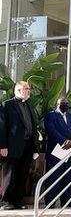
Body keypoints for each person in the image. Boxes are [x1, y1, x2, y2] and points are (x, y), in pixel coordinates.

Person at [0, 81, 40, 210]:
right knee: (9, 175)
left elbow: (33, 126)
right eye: (26, 89)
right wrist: (2, 146)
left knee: (22, 175)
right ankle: (6, 201)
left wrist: (36, 146)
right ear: (18, 90)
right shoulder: (7, 105)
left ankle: (18, 201)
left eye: (28, 88)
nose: (29, 91)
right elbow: (2, 127)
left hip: (27, 145)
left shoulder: (29, 105)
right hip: (11, 147)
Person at [44, 97, 71, 208]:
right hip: (56, 151)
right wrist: (64, 141)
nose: (65, 105)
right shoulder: (51, 115)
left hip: (69, 151)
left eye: (66, 104)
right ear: (57, 104)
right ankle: (50, 202)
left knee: (68, 177)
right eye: (62, 103)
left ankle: (67, 201)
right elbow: (51, 130)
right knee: (54, 177)